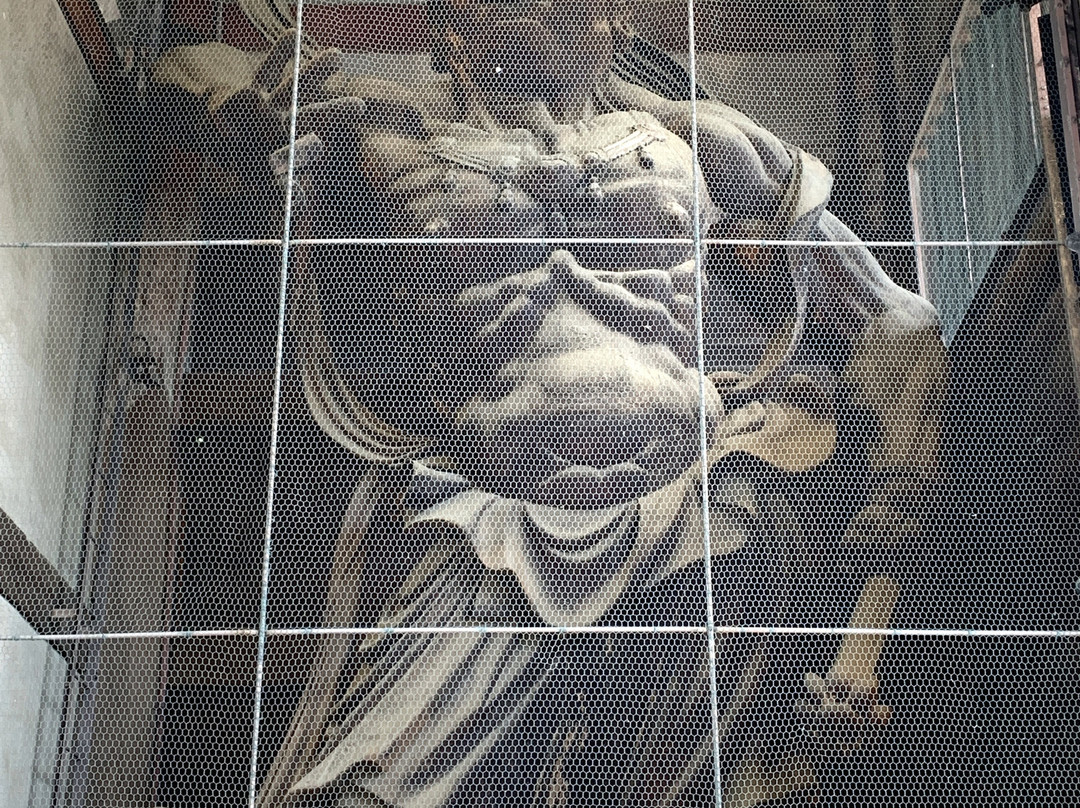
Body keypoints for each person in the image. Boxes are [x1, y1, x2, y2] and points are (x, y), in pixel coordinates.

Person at [154, 3, 947, 804]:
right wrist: (276, 82)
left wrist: (888, 551)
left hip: (689, 515)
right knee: (359, 790)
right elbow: (177, 74)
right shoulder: (395, 142)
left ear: (613, 24)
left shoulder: (699, 145)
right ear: (449, 32)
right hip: (485, 523)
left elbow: (900, 321)